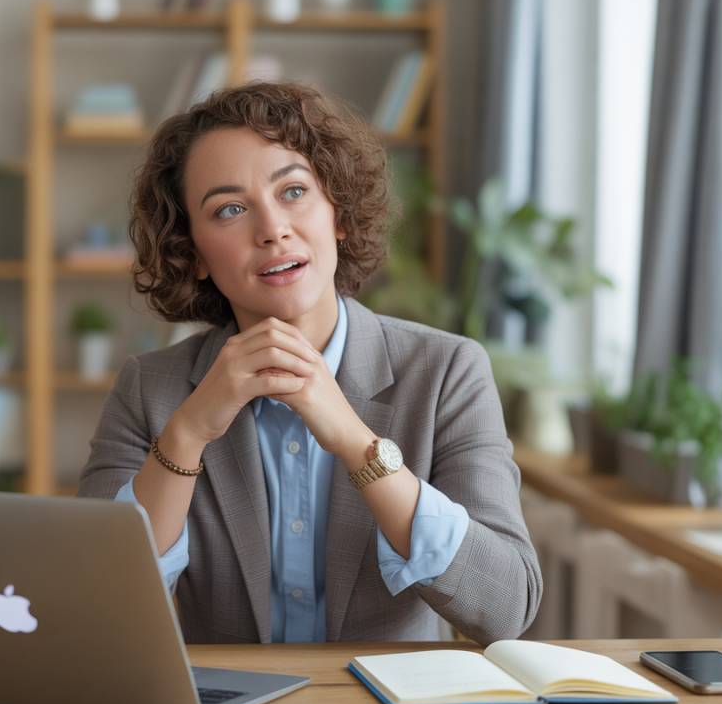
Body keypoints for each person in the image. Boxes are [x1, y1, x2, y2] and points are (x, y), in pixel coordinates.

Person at [79, 81, 541, 645]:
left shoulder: (448, 372)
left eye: (293, 191)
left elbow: (505, 605)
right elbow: (98, 605)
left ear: (338, 214)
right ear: (193, 253)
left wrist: (353, 440)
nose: (272, 229)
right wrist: (189, 431)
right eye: (229, 209)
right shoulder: (151, 388)